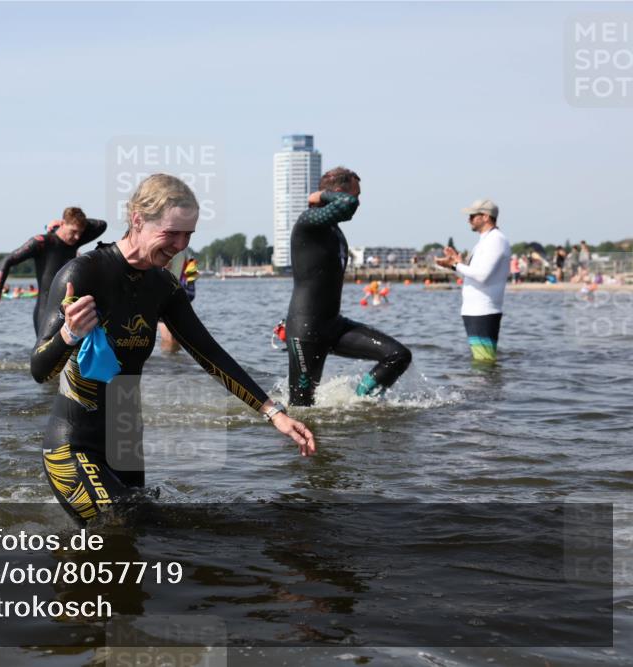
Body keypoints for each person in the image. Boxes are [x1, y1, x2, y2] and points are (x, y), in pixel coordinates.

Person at [31, 174, 315, 524]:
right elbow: (39, 369)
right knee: (124, 523)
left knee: (136, 545)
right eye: (171, 233)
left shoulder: (162, 285)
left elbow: (209, 353)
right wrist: (69, 335)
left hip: (127, 445)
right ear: (137, 220)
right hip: (72, 445)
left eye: (189, 235)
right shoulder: (83, 273)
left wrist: (274, 413)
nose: (181, 245)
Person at [285, 167, 412, 407]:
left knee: (398, 355)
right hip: (306, 330)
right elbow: (346, 204)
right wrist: (319, 196)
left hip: (333, 325)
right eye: (356, 194)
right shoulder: (309, 222)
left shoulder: (333, 230)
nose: (358, 202)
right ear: (339, 192)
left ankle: (360, 404)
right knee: (302, 410)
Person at [0, 207, 107, 332]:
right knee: (43, 350)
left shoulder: (74, 241)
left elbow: (102, 225)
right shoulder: (43, 242)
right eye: (73, 231)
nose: (77, 237)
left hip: (68, 310)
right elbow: (6, 261)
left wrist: (76, 223)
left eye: (80, 233)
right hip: (46, 313)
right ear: (63, 224)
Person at [435, 199, 511, 362]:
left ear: (485, 217)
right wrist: (456, 264)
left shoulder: (496, 240)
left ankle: (487, 388)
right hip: (474, 310)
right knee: (481, 360)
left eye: (472, 216)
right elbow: (471, 275)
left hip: (484, 310)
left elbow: (482, 276)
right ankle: (486, 387)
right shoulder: (485, 241)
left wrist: (455, 265)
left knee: (484, 361)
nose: (468, 219)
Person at [157, 249, 198, 353]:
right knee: (172, 339)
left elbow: (164, 268)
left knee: (171, 340)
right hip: (175, 297)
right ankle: (174, 365)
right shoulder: (182, 248)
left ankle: (173, 365)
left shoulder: (176, 247)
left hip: (171, 296)